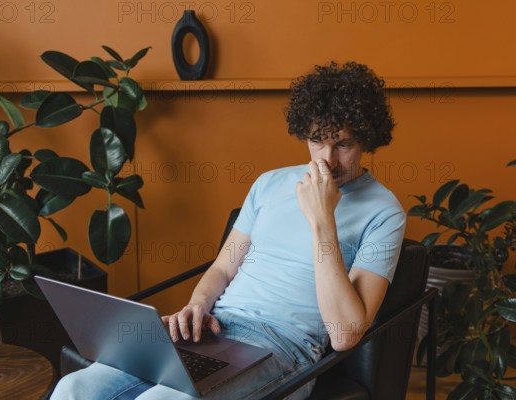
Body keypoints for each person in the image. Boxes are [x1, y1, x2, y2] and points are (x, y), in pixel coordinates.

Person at [50, 61, 406, 400]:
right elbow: (223, 267)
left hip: (282, 347)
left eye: (343, 144)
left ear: (366, 139)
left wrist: (322, 219)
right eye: (317, 140)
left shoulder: (383, 212)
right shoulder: (269, 184)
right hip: (214, 329)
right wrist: (197, 306)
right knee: (75, 388)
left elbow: (345, 334)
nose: (327, 159)